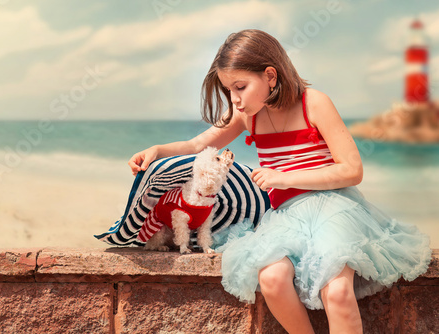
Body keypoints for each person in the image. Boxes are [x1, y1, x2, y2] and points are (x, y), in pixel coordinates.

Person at [128, 29, 431, 333]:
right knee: (272, 278)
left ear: (270, 76)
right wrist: (158, 150)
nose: (235, 99)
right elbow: (199, 144)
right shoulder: (248, 115)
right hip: (287, 215)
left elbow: (352, 170)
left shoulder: (314, 103)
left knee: (337, 292)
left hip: (335, 208)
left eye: (241, 87)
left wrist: (283, 178)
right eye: (228, 90)